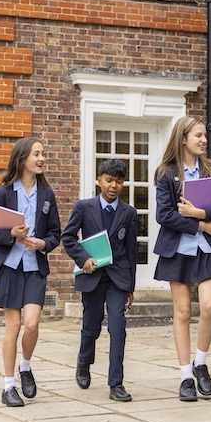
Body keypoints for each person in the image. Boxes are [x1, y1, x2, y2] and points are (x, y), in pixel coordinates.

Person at [153, 116, 211, 402]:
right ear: (183, 138)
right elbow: (164, 215)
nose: (203, 140)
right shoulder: (166, 173)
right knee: (183, 312)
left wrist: (200, 214)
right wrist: (201, 225)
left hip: (208, 249)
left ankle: (201, 362)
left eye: (204, 135)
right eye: (198, 135)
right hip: (178, 250)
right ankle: (186, 374)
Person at [0, 137, 61, 407]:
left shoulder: (47, 194)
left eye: (43, 153)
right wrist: (10, 234)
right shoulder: (2, 193)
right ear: (22, 158)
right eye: (36, 154)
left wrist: (43, 244)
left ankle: (25, 366)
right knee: (13, 326)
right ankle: (8, 386)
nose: (41, 158)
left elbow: (55, 234)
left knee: (32, 324)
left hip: (34, 267)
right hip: (9, 268)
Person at [62, 159, 138, 403]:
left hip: (118, 277)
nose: (113, 186)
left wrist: (130, 287)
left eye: (118, 181)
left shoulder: (129, 212)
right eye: (109, 180)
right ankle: (84, 361)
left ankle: (116, 383)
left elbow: (131, 251)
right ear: (99, 180)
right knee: (91, 328)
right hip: (93, 276)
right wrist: (83, 258)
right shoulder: (84, 207)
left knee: (118, 328)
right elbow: (68, 237)